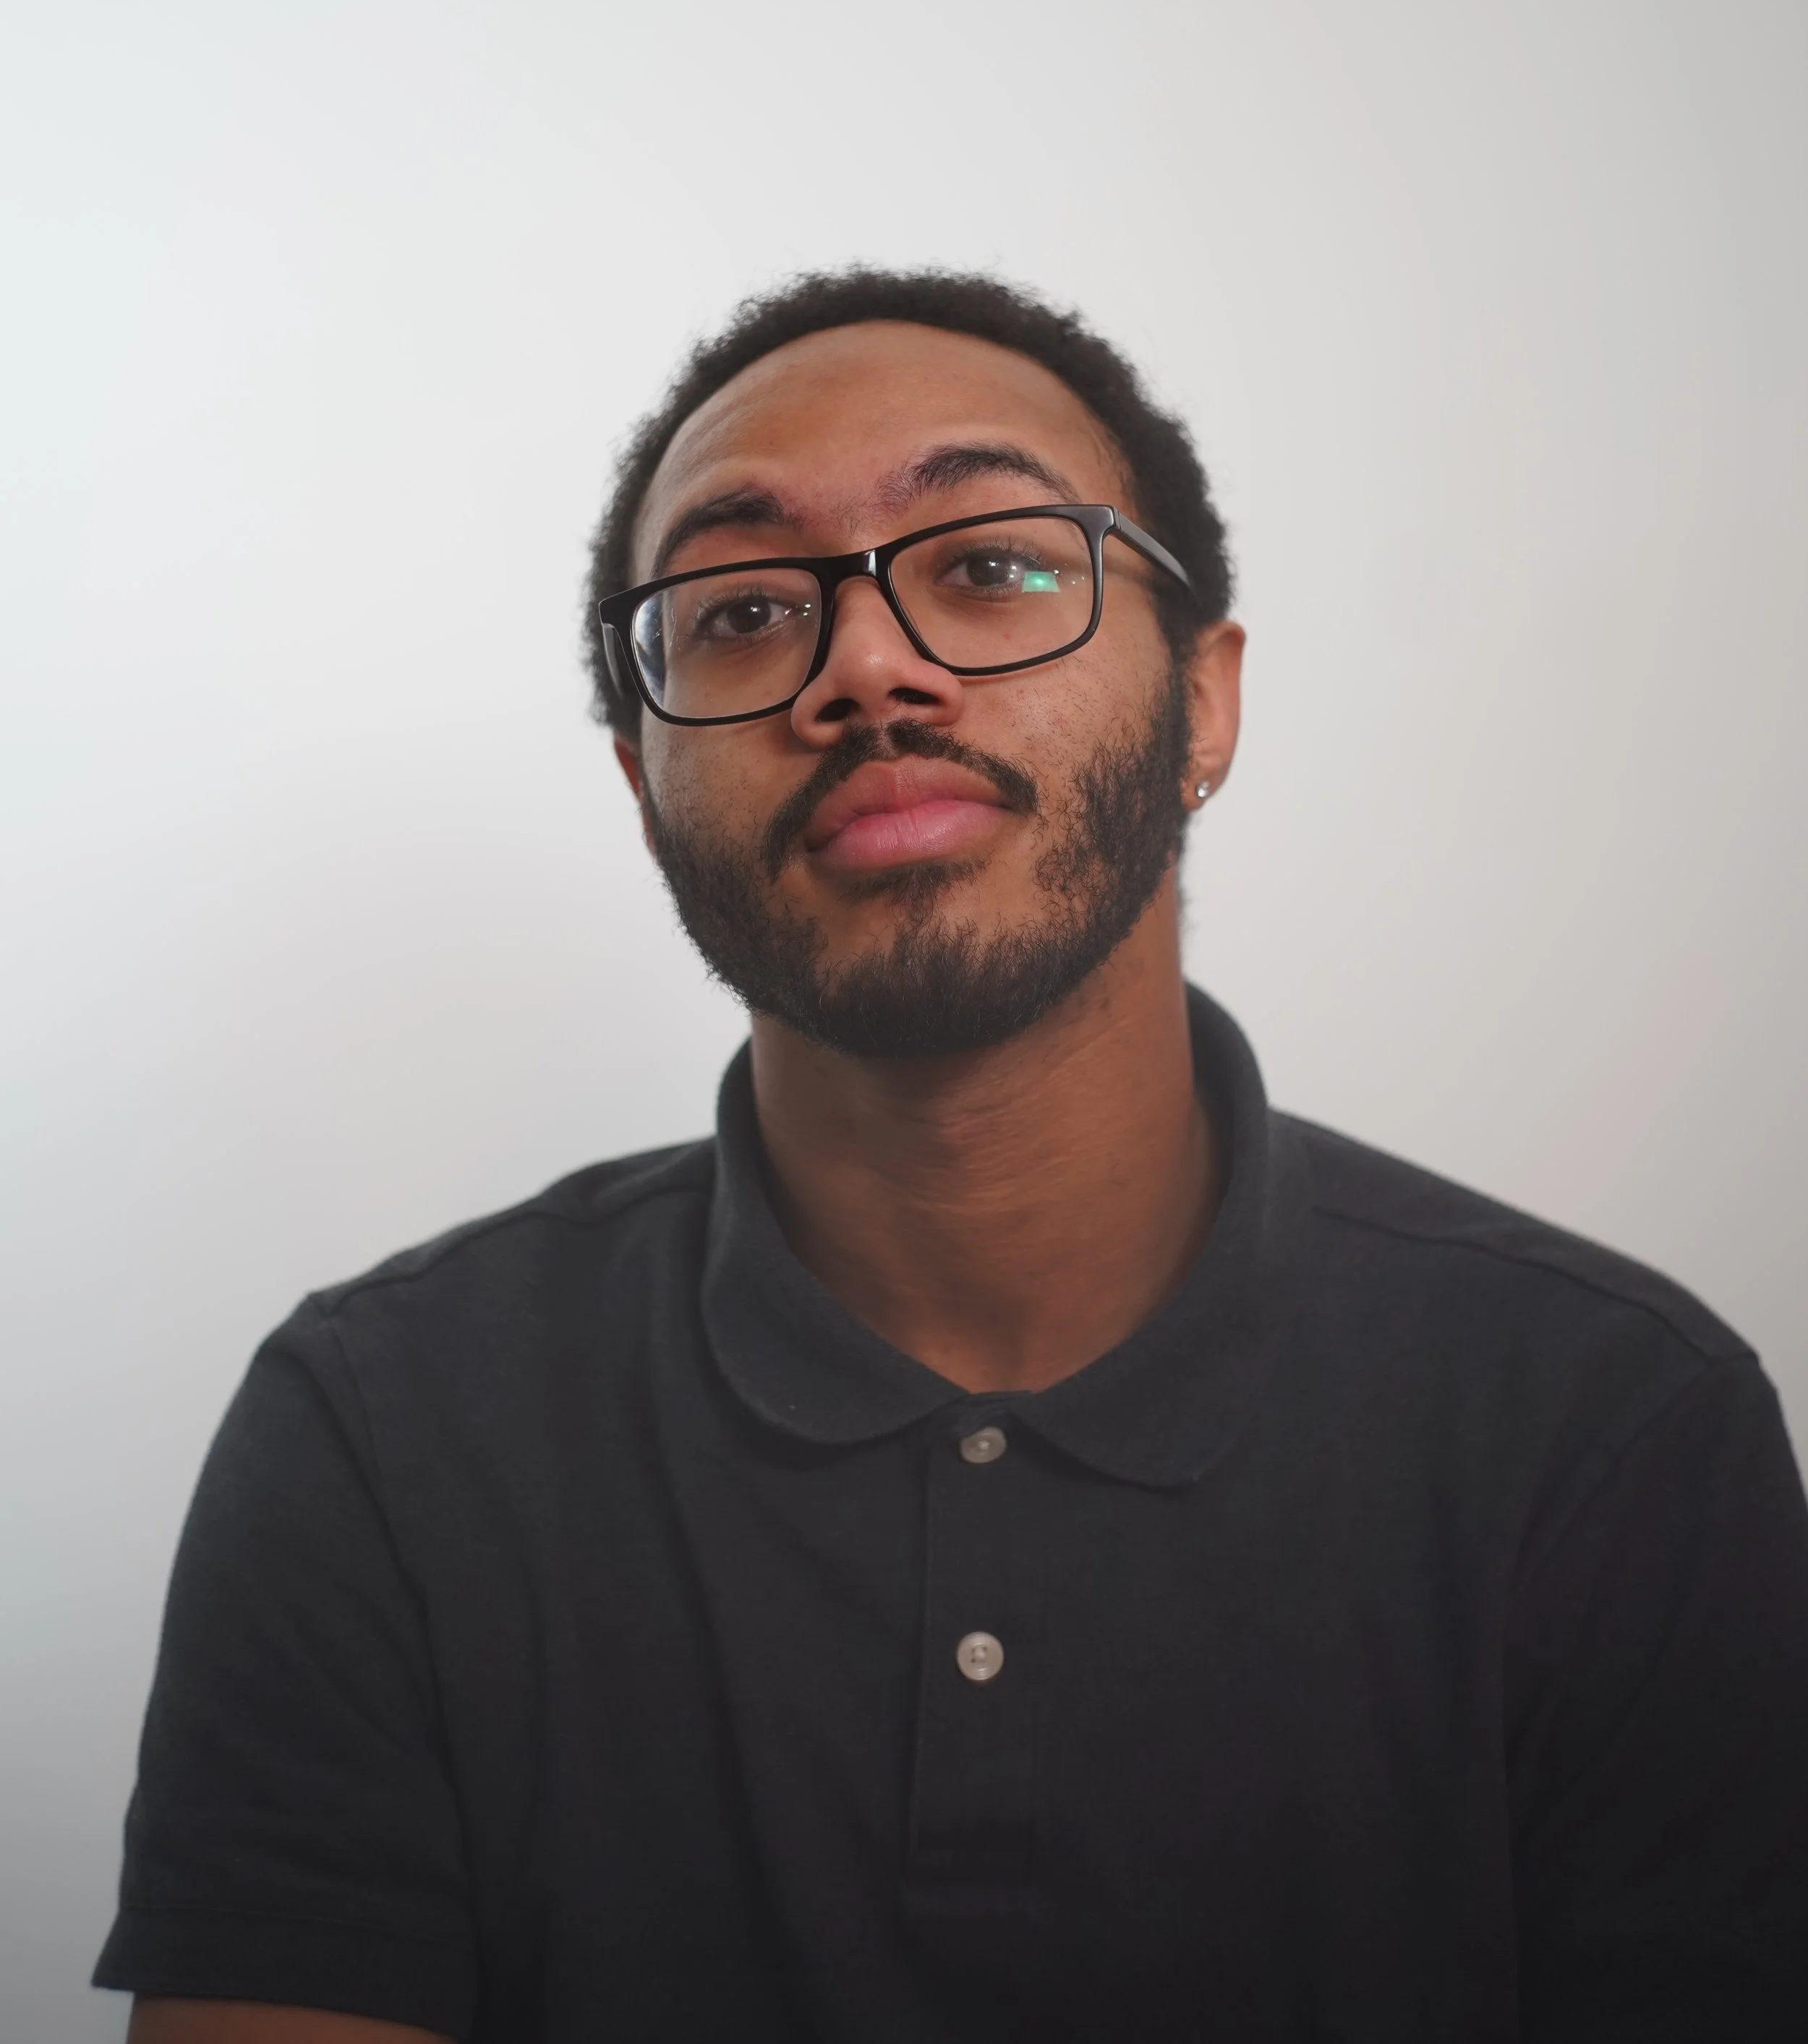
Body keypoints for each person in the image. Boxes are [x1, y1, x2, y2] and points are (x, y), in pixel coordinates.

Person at [99, 268, 1808, 2043]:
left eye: (990, 567)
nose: (865, 667)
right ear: (640, 780)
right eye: (745, 608)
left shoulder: (1608, 1428)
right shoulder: (382, 1435)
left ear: (1203, 706)